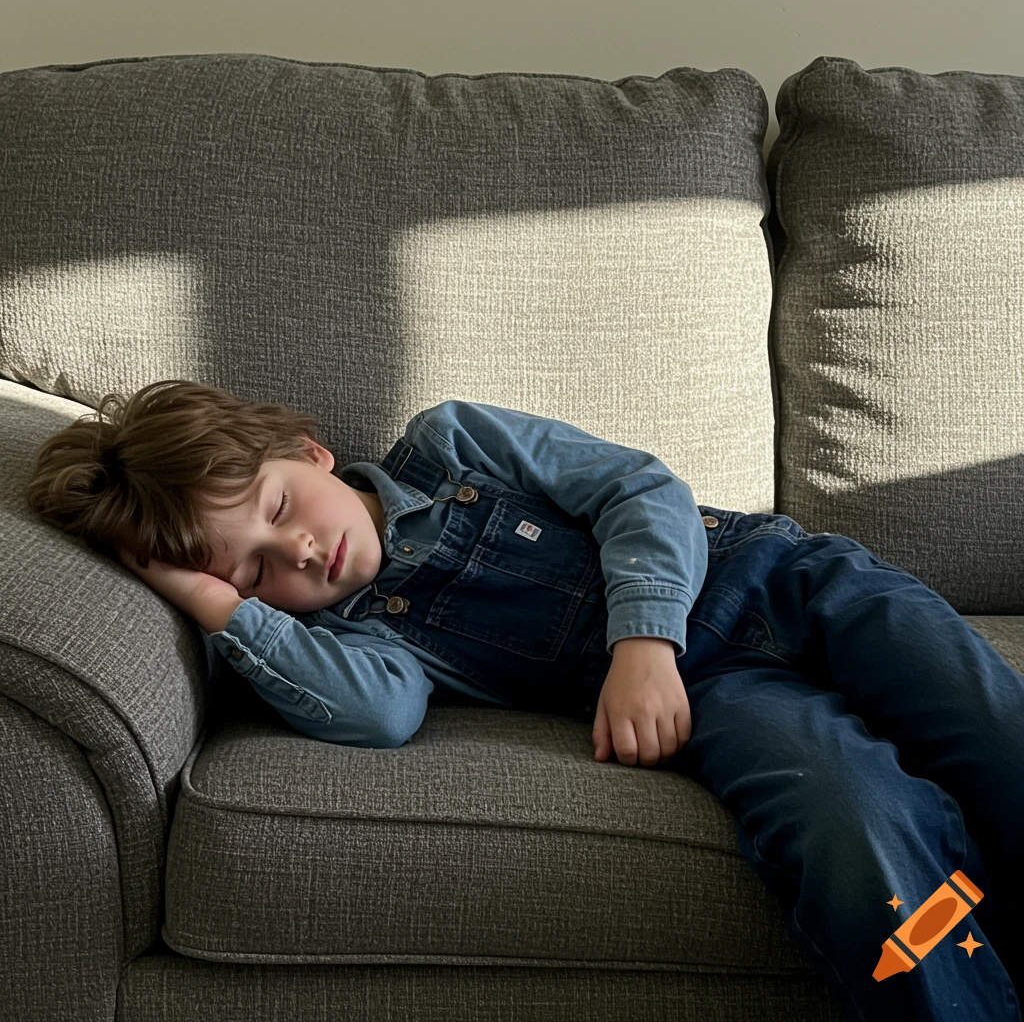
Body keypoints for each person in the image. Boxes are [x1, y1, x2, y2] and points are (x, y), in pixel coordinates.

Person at [26, 378, 1023, 1022]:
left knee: (998, 743)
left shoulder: (452, 443)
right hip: (729, 696)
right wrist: (220, 609)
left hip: (793, 582)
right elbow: (381, 716)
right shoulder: (361, 639)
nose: (296, 551)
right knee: (855, 821)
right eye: (251, 570)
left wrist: (642, 640)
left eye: (279, 508)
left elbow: (640, 489)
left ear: (309, 449)